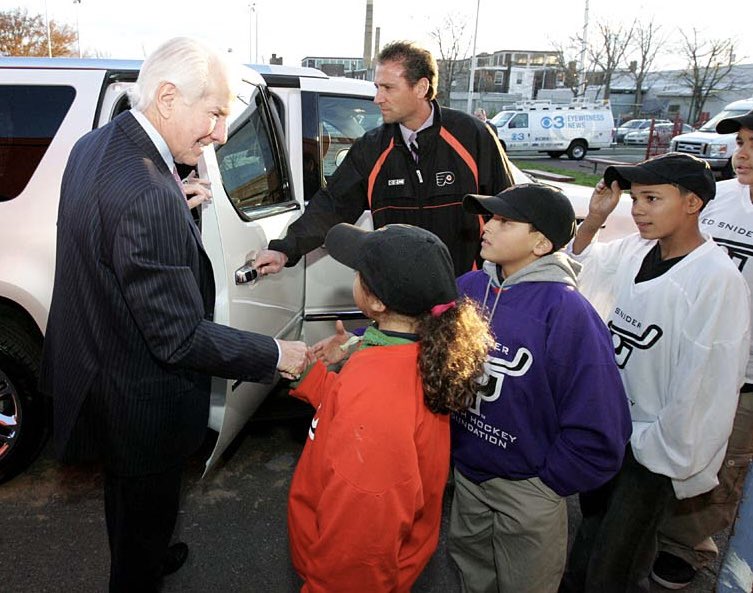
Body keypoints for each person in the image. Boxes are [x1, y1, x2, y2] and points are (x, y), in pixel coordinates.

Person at [38, 37, 308, 593]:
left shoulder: (97, 146)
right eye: (213, 113)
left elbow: (106, 222)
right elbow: (180, 339)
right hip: (140, 399)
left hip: (100, 371)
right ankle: (140, 567)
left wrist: (171, 196)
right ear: (166, 98)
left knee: (130, 506)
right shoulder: (146, 194)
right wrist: (278, 354)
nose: (221, 133)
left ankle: (148, 551)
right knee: (141, 522)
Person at [559, 153, 751, 593]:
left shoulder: (715, 279)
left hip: (652, 446)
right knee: (591, 531)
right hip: (612, 426)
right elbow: (579, 270)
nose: (638, 210)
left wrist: (659, 447)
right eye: (636, 198)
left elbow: (705, 383)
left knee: (619, 554)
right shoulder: (638, 249)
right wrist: (593, 219)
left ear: (692, 203)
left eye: (652, 198)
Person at [286, 223, 493, 593]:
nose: (354, 277)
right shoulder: (406, 352)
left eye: (358, 273)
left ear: (378, 302)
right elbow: (352, 413)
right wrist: (311, 379)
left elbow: (360, 539)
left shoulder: (379, 392)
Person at [447, 185, 632, 593]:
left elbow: (603, 424)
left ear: (541, 243)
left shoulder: (568, 313)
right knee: (472, 569)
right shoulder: (469, 288)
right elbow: (418, 328)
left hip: (528, 487)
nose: (489, 227)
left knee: (526, 582)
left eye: (505, 221)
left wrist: (548, 482)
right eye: (491, 218)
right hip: (469, 474)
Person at [254, 40, 514, 277]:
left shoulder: (471, 135)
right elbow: (332, 206)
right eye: (378, 87)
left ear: (422, 87)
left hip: (464, 291)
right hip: (398, 295)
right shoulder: (372, 147)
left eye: (388, 88)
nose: (378, 98)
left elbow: (508, 206)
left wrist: (502, 273)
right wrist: (285, 250)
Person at [651, 112, 753, 589]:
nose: (743, 153)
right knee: (677, 435)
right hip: (685, 343)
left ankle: (687, 545)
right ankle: (653, 530)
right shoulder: (720, 201)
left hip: (745, 369)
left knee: (722, 458)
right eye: (742, 141)